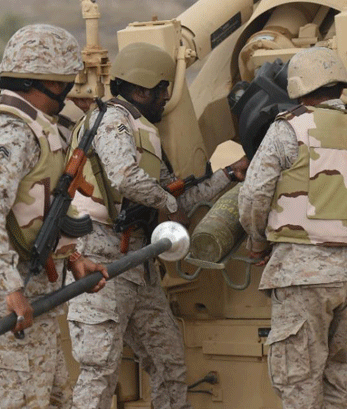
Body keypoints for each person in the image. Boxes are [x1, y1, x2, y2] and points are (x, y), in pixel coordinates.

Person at [66, 42, 249, 409]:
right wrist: (167, 203)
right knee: (99, 371)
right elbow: (125, 178)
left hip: (137, 262)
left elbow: (176, 197)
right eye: (162, 88)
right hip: (99, 257)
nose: (167, 96)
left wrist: (231, 173)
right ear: (140, 88)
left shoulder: (142, 132)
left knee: (169, 364)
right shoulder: (113, 119)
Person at [0, 24, 108, 409]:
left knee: (54, 398)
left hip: (29, 287)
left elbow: (38, 208)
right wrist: (9, 288)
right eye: (65, 81)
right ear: (46, 81)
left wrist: (74, 257)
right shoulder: (11, 130)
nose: (69, 90)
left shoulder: (32, 123)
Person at [238, 46, 347, 409]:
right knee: (336, 375)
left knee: (298, 382)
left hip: (302, 275)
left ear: (299, 85)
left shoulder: (289, 128)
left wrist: (257, 244)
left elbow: (254, 195)